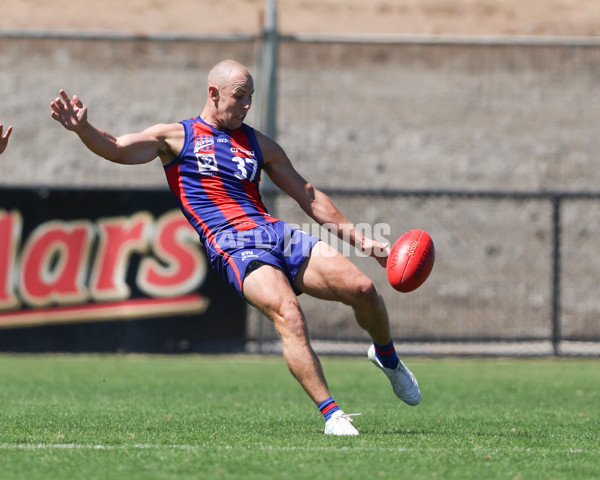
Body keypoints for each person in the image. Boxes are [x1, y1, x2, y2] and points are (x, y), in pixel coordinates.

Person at [50, 59, 421, 436]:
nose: (246, 106)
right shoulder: (176, 137)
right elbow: (116, 147)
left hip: (276, 234)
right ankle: (333, 415)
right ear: (213, 94)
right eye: (239, 97)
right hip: (233, 245)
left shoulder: (259, 144)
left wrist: (362, 240)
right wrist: (84, 130)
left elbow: (308, 195)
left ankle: (386, 357)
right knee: (289, 315)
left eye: (250, 98)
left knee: (363, 289)